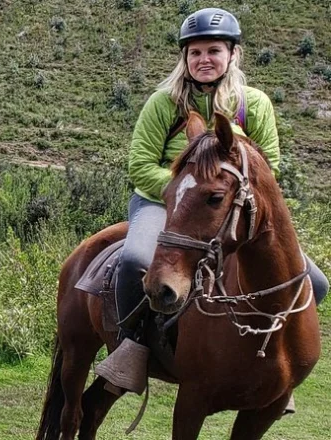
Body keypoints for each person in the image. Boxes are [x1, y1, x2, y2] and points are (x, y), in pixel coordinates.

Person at [96, 8, 329, 393]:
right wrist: (187, 191)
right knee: (135, 260)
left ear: (232, 54)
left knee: (315, 283)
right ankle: (130, 346)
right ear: (185, 58)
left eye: (213, 51)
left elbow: (269, 167)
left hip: (227, 208)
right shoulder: (164, 103)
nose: (204, 59)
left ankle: (272, 363)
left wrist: (221, 195)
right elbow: (140, 165)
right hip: (162, 203)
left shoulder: (254, 104)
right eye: (195, 52)